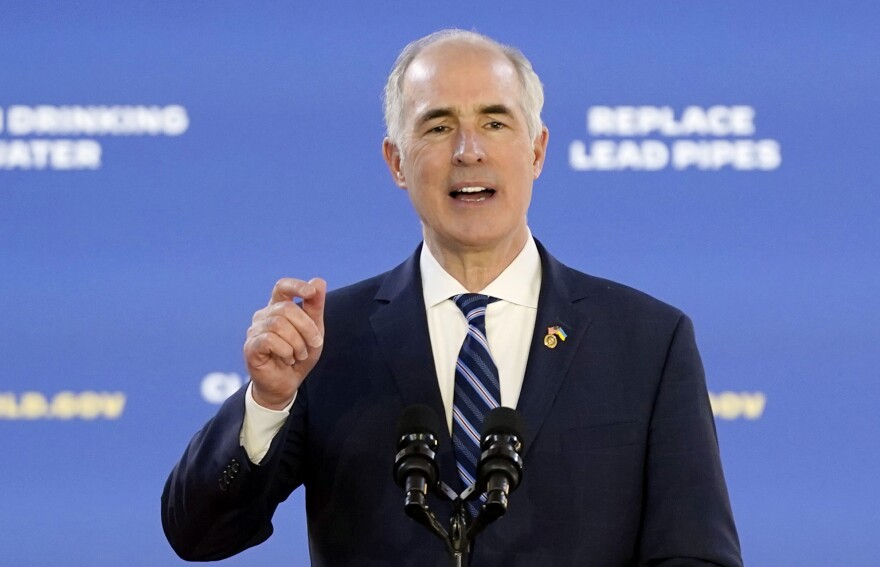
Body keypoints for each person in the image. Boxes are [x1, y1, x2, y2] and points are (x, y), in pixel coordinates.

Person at [162, 29, 743, 566]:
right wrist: (267, 402)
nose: (469, 150)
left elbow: (695, 553)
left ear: (537, 151)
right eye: (438, 126)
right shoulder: (326, 340)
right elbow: (199, 534)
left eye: (495, 123)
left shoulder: (646, 341)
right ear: (396, 162)